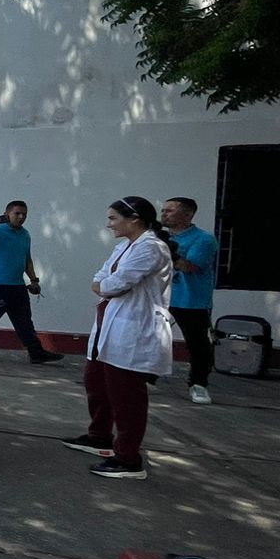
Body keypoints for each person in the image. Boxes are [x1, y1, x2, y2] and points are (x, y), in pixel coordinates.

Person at [62, 197, 175, 481]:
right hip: (110, 324)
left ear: (134, 219)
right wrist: (103, 286)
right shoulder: (124, 246)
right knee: (96, 383)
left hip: (134, 329)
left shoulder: (150, 248)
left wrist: (103, 286)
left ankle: (128, 458)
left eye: (113, 218)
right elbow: (102, 278)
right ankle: (99, 436)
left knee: (126, 396)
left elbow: (116, 283)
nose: (108, 224)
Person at [0, 201, 63, 365]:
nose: (21, 217)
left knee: (24, 321)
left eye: (24, 214)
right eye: (17, 213)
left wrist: (34, 280)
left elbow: (26, 259)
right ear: (7, 214)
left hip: (17, 285)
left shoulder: (25, 234)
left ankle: (36, 352)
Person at [161, 196, 218, 404]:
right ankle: (146, 377)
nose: (164, 214)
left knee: (198, 345)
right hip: (161, 297)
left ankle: (199, 384)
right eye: (163, 210)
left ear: (187, 214)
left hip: (191, 299)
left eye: (170, 210)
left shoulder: (203, 239)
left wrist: (168, 251)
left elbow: (190, 266)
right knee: (150, 337)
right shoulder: (160, 237)